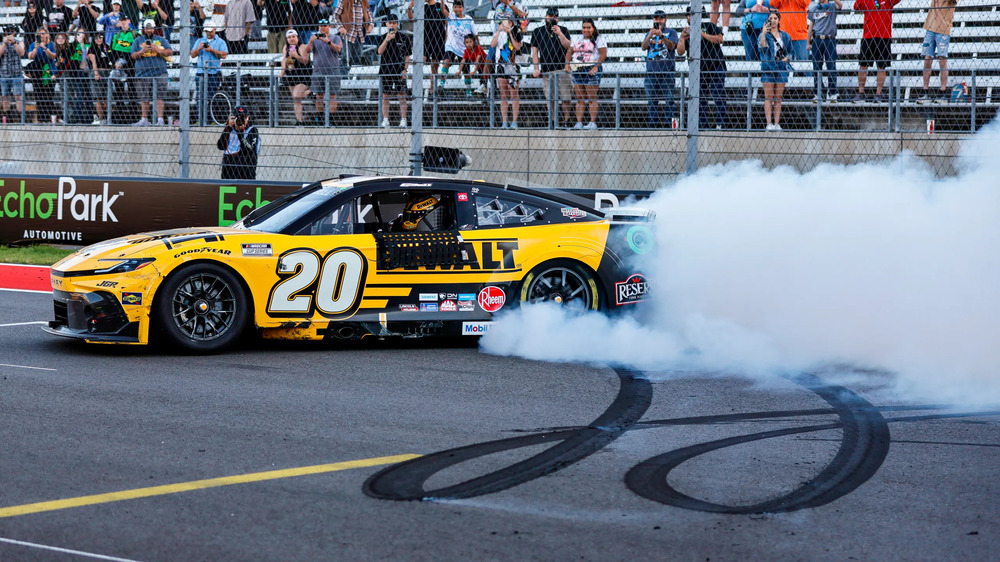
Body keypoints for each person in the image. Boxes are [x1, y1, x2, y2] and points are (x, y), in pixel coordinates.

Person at [678, 6, 729, 129]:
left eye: (693, 14)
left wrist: (701, 34)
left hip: (716, 66)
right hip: (698, 69)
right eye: (689, 15)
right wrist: (682, 37)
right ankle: (702, 124)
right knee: (699, 98)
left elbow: (720, 39)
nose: (691, 17)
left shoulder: (709, 26)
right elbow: (680, 52)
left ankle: (721, 124)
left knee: (719, 96)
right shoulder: (686, 32)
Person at [531, 7, 571, 128]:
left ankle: (567, 120)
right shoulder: (538, 31)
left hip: (562, 68)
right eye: (550, 16)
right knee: (550, 98)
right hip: (547, 69)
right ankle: (552, 121)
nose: (552, 19)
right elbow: (534, 52)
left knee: (566, 97)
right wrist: (537, 68)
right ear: (546, 17)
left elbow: (569, 46)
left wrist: (559, 33)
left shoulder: (563, 30)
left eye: (554, 16)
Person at [853, 0, 899, 102]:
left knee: (881, 66)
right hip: (868, 36)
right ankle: (861, 92)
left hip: (884, 36)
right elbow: (856, 7)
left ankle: (879, 93)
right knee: (863, 64)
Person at [130, 18, 172, 126]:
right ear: (144, 29)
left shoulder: (161, 39)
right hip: (143, 73)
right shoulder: (138, 40)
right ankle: (144, 119)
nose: (149, 30)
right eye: (147, 28)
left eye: (151, 28)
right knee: (144, 98)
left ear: (154, 28)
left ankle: (160, 120)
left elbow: (169, 51)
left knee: (160, 96)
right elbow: (133, 55)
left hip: (160, 72)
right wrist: (142, 51)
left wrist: (157, 49)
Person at [566, 18, 605, 130]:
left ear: (593, 28)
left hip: (591, 68)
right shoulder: (577, 38)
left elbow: (603, 54)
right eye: (584, 27)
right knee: (579, 97)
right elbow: (570, 51)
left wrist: (596, 66)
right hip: (578, 68)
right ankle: (579, 122)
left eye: (588, 27)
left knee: (591, 97)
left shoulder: (599, 38)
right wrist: (567, 64)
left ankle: (592, 122)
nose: (586, 29)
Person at [641, 9, 677, 128]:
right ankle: (653, 123)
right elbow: (643, 47)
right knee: (651, 100)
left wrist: (661, 35)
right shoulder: (649, 33)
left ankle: (668, 123)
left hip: (667, 71)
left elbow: (672, 46)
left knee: (669, 99)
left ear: (665, 20)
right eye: (656, 18)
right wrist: (650, 36)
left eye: (661, 18)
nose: (658, 21)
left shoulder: (671, 32)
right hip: (652, 71)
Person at [302, 18, 342, 122]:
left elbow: (338, 49)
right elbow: (307, 51)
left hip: (333, 69)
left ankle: (332, 119)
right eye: (321, 26)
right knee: (319, 95)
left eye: (325, 26)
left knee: (333, 95)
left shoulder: (335, 37)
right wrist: (311, 41)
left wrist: (328, 42)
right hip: (318, 70)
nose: (322, 28)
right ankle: (319, 118)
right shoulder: (315, 38)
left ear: (329, 26)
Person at [407, 0, 447, 96]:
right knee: (420, 63)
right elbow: (411, 19)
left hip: (438, 40)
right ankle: (413, 88)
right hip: (424, 40)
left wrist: (446, 38)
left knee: (434, 67)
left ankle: (432, 90)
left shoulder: (440, 5)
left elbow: (447, 19)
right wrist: (409, 7)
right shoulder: (422, 7)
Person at [758, 10, 790, 130]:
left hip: (781, 67)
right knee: (768, 96)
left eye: (775, 18)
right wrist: (763, 34)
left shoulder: (785, 36)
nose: (773, 21)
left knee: (778, 97)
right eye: (770, 18)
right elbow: (762, 48)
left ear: (779, 20)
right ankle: (769, 123)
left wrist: (787, 57)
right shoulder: (764, 35)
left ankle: (777, 123)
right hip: (768, 67)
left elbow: (790, 51)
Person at [920, 0, 957, 103]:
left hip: (944, 29)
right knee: (927, 59)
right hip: (930, 26)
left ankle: (943, 91)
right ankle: (925, 91)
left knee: (942, 60)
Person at [377, 13, 410, 128]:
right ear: (386, 24)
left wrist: (405, 70)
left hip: (399, 70)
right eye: (390, 23)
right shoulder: (382, 37)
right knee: (385, 95)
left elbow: (407, 56)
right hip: (386, 70)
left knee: (401, 94)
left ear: (397, 24)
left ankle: (403, 119)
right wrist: (387, 40)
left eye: (394, 23)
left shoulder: (404, 38)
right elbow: (380, 52)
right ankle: (385, 119)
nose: (392, 25)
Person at [192, 23, 228, 124]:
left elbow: (224, 55)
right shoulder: (200, 41)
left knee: (212, 97)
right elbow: (192, 54)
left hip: (213, 73)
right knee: (200, 97)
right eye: (207, 31)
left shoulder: (221, 42)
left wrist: (211, 50)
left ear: (215, 30)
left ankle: (212, 119)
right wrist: (199, 49)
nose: (208, 33)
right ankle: (200, 119)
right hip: (201, 73)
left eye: (210, 31)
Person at [491, 17, 521, 129]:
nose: (506, 23)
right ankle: (504, 122)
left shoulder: (516, 31)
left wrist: (510, 34)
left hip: (513, 65)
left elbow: (517, 47)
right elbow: (493, 45)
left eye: (508, 21)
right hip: (500, 65)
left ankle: (514, 121)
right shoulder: (499, 33)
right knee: (503, 95)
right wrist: (499, 31)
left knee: (514, 94)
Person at [807, 0, 840, 102]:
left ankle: (832, 92)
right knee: (816, 67)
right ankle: (818, 93)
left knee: (831, 66)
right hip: (817, 39)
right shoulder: (814, 9)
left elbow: (840, 5)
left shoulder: (832, 6)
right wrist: (808, 42)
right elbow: (810, 27)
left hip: (830, 39)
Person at [217, 105, 260, 179]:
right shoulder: (229, 129)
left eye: (243, 117)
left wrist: (240, 133)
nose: (240, 120)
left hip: (246, 169)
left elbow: (249, 150)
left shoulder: (252, 130)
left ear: (247, 118)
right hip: (229, 169)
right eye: (237, 117)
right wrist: (228, 127)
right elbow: (220, 146)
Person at [441, 0, 474, 91]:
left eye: (459, 7)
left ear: (463, 8)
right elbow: (443, 10)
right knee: (447, 61)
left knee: (466, 71)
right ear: (453, 8)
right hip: (451, 46)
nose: (457, 9)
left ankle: (468, 91)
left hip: (464, 49)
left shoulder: (469, 19)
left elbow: (475, 35)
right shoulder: (451, 16)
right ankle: (441, 85)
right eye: (455, 7)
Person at [280, 28, 310, 125]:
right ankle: (299, 120)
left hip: (303, 75)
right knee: (296, 99)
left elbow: (306, 61)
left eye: (293, 37)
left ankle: (312, 91)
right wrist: (282, 72)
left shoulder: (302, 46)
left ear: (297, 37)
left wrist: (296, 55)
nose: (291, 39)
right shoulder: (286, 47)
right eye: (289, 37)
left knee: (296, 95)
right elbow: (285, 59)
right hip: (291, 74)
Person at [27, 27, 57, 123]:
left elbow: (52, 56)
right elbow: (30, 57)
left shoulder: (51, 44)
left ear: (47, 35)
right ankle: (40, 119)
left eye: (43, 34)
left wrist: (44, 48)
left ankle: (48, 118)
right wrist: (36, 48)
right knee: (39, 96)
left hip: (49, 73)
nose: (41, 36)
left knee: (49, 96)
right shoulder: (33, 45)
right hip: (38, 73)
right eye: (39, 34)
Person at [332, 0, 371, 67]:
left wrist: (371, 25)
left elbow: (370, 16)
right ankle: (344, 77)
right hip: (347, 34)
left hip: (360, 35)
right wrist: (340, 27)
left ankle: (355, 76)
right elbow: (335, 16)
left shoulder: (364, 2)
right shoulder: (343, 1)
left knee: (357, 59)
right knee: (345, 58)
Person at [770, 0, 809, 66]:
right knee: (783, 65)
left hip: (800, 36)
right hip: (784, 36)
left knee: (803, 66)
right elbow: (772, 3)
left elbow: (805, 3)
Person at [0, 26, 25, 123]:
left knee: (18, 96)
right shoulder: (2, 42)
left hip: (16, 73)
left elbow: (21, 53)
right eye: (7, 31)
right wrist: (4, 43)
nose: (9, 33)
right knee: (5, 96)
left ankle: (20, 117)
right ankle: (7, 116)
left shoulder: (20, 41)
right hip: (4, 73)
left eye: (11, 31)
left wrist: (14, 42)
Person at [88, 31, 112, 123]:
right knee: (98, 97)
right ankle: (101, 118)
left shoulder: (106, 47)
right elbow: (93, 62)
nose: (98, 39)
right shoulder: (91, 49)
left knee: (107, 97)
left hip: (106, 72)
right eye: (96, 38)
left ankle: (107, 117)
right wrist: (96, 73)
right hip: (97, 72)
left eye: (100, 37)